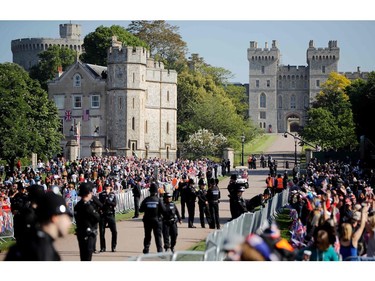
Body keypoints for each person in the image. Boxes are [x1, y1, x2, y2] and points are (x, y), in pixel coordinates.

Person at [5, 192, 72, 261]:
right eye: (67, 217)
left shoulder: (30, 242)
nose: (69, 223)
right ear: (55, 218)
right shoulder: (42, 249)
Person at [74, 182, 100, 261]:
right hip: (88, 234)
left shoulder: (77, 205)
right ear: (88, 193)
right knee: (87, 257)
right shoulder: (88, 206)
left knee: (83, 257)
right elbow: (97, 218)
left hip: (80, 233)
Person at [139, 182, 166, 254]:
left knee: (147, 235)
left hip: (147, 220)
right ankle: (160, 251)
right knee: (158, 236)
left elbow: (140, 209)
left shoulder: (146, 200)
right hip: (157, 220)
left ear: (150, 191)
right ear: (156, 192)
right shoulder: (158, 200)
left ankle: (146, 249)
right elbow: (164, 210)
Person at [98, 182, 118, 252]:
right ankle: (103, 247)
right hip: (103, 214)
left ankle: (113, 247)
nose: (107, 187)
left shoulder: (112, 194)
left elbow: (114, 203)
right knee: (102, 232)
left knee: (114, 231)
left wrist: (108, 200)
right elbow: (100, 204)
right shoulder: (101, 194)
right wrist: (106, 197)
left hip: (110, 214)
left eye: (108, 186)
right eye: (106, 186)